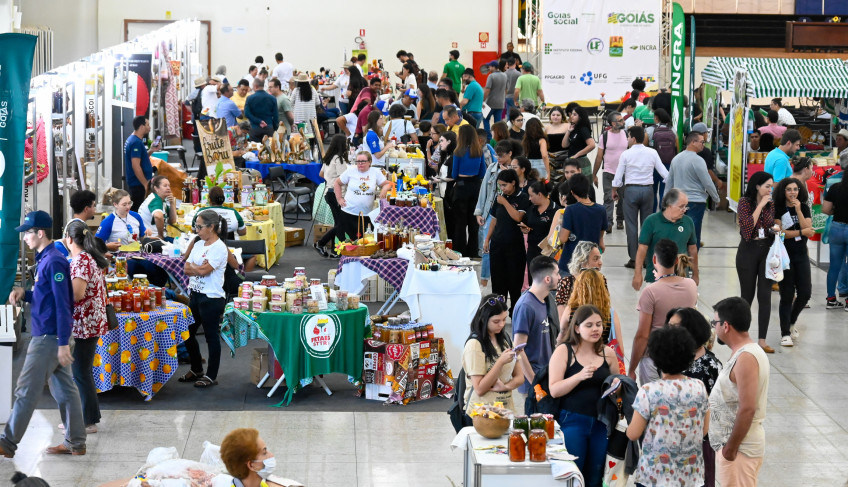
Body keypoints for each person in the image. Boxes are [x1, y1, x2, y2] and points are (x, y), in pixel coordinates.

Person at [2, 211, 86, 457]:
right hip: (50, 335)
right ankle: (76, 441)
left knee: (26, 389)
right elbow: (46, 297)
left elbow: (63, 303)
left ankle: (8, 441)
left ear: (40, 233)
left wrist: (62, 342)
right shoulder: (46, 259)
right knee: (65, 391)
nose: (25, 237)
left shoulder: (54, 262)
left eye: (28, 232)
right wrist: (24, 293)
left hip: (49, 337)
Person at [626, 326, 709, 487]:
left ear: (655, 357)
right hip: (691, 477)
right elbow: (704, 430)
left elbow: (633, 433)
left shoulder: (649, 391)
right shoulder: (699, 387)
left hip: (654, 477)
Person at [548, 304, 619, 487]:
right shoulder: (564, 351)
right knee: (573, 474)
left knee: (596, 475)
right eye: (589, 325)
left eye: (598, 324)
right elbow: (554, 389)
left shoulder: (608, 353)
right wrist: (579, 376)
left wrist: (618, 387)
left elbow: (617, 388)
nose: (595, 329)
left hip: (601, 423)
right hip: (572, 420)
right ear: (577, 328)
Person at [709, 296, 771, 487]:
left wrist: (730, 449)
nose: (714, 328)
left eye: (715, 323)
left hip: (740, 450)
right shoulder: (744, 353)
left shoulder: (746, 358)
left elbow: (747, 408)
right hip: (736, 449)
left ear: (726, 326)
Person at [61, 220, 109, 435]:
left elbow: (77, 294)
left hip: (84, 323)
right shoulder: (89, 258)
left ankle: (88, 421)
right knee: (82, 371)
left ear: (70, 239)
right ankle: (86, 418)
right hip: (90, 321)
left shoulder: (81, 261)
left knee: (80, 372)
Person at [629, 238, 698, 384]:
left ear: (654, 259)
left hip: (654, 359)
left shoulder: (650, 292)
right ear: (676, 261)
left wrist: (631, 369)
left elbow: (642, 336)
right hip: (681, 356)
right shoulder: (691, 285)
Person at [668, 307, 723, 487]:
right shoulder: (670, 358)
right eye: (669, 326)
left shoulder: (711, 365)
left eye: (676, 326)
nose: (670, 332)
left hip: (699, 441)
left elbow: (716, 409)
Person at [179, 210, 230, 388]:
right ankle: (197, 369)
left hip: (211, 297)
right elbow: (186, 268)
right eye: (196, 226)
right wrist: (197, 267)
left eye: (200, 226)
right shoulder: (199, 244)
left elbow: (203, 271)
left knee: (211, 336)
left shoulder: (219, 248)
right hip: (195, 294)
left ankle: (211, 375)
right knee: (187, 333)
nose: (197, 230)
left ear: (212, 227)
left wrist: (197, 267)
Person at [613, 126, 668, 268]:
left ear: (633, 138)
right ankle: (647, 258)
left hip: (631, 190)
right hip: (648, 191)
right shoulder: (652, 152)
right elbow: (664, 173)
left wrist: (614, 190)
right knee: (647, 225)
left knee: (631, 226)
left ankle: (634, 258)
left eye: (628, 136)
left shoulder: (626, 154)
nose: (627, 139)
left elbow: (618, 177)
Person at [735, 171, 778, 353]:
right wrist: (760, 205)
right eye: (767, 186)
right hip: (748, 251)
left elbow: (767, 225)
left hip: (766, 250)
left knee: (765, 295)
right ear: (757, 186)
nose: (770, 189)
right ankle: (741, 336)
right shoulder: (745, 202)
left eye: (771, 186)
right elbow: (746, 229)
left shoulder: (771, 203)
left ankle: (762, 339)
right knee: (747, 296)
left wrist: (774, 229)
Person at [513, 256, 561, 412]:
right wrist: (535, 383)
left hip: (547, 375)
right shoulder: (526, 306)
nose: (560, 277)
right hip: (533, 382)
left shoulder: (547, 300)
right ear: (548, 278)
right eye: (557, 274)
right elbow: (518, 349)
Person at [462, 294, 523, 414]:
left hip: (506, 412)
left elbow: (520, 377)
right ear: (484, 319)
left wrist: (505, 387)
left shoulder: (505, 340)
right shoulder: (475, 345)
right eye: (496, 321)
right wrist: (500, 362)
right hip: (481, 415)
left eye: (504, 319)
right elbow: (479, 388)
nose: (501, 324)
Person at [773, 177, 813, 347]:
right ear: (783, 191)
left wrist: (798, 211)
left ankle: (791, 322)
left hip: (802, 255)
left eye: (795, 189)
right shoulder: (778, 208)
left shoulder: (803, 206)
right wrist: (801, 232)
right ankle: (784, 333)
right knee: (787, 295)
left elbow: (809, 231)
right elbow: (779, 233)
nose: (792, 192)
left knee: (805, 293)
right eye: (789, 189)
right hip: (784, 256)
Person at [484, 169, 531, 314]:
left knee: (514, 283)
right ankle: (499, 312)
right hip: (498, 245)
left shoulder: (522, 198)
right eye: (500, 186)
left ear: (513, 183)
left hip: (515, 248)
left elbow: (518, 217)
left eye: (504, 185)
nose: (502, 189)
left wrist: (504, 202)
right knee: (498, 283)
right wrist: (487, 239)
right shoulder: (499, 198)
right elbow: (494, 219)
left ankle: (515, 312)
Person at [633, 188, 699, 290]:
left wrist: (695, 274)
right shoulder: (651, 221)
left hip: (682, 279)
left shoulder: (688, 222)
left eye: (686, 206)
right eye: (681, 206)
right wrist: (638, 273)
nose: (684, 210)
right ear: (669, 205)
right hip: (655, 279)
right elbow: (642, 249)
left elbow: (693, 250)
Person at [562, 269, 625, 372]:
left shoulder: (570, 310)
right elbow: (620, 348)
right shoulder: (609, 313)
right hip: (601, 362)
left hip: (575, 362)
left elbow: (562, 334)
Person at [666, 132, 720, 248]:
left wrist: (666, 201)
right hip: (696, 202)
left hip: (678, 202)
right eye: (701, 142)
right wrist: (715, 197)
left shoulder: (676, 159)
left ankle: (679, 262)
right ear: (693, 142)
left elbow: (669, 181)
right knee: (693, 235)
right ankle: (691, 265)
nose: (703, 145)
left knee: (679, 233)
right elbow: (707, 182)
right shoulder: (698, 160)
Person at [476, 140, 518, 286]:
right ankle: (484, 281)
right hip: (491, 211)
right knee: (486, 245)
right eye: (496, 155)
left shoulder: (516, 168)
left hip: (510, 212)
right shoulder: (492, 168)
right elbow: (484, 190)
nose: (498, 158)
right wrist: (479, 212)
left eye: (501, 156)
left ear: (510, 154)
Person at [334, 151, 391, 240]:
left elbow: (388, 184)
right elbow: (337, 183)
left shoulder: (375, 172)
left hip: (366, 215)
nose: (360, 163)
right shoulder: (351, 171)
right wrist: (339, 199)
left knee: (365, 240)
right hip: (348, 212)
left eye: (363, 161)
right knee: (348, 241)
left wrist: (384, 188)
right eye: (358, 161)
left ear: (369, 162)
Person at [557, 174, 606, 275]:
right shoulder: (601, 210)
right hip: (591, 263)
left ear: (572, 192)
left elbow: (563, 238)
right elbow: (601, 238)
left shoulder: (570, 210)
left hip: (571, 262)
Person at [452, 124, 487, 257]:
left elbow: (454, 174)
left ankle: (460, 251)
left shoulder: (458, 152)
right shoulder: (479, 151)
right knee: (474, 223)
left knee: (460, 222)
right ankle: (473, 251)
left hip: (461, 186)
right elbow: (482, 172)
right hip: (475, 186)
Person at [555, 241, 606, 327]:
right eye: (595, 259)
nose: (600, 263)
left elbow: (605, 309)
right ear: (582, 261)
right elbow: (562, 319)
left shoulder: (602, 280)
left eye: (600, 258)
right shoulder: (566, 283)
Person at [315, 135, 350, 257]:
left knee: (338, 223)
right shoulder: (339, 160)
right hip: (337, 194)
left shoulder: (328, 158)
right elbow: (344, 179)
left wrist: (330, 179)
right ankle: (323, 243)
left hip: (328, 192)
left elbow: (321, 174)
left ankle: (336, 250)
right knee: (342, 223)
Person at [592, 112, 628, 233]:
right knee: (608, 197)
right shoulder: (605, 136)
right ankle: (608, 222)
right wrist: (594, 174)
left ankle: (620, 220)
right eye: (620, 120)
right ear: (613, 123)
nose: (623, 122)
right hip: (608, 171)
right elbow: (599, 156)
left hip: (624, 172)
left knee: (622, 197)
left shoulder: (626, 134)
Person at [521, 181, 557, 284]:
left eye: (531, 195)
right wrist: (525, 229)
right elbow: (527, 223)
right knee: (534, 283)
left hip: (549, 253)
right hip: (532, 251)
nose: (529, 198)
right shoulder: (531, 209)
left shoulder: (555, 210)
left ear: (540, 194)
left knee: (549, 283)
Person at [823, 168, 848, 309]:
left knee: (834, 266)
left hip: (837, 228)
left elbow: (826, 209)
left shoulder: (835, 188)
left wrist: (837, 211)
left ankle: (831, 298)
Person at [124, 115, 159, 211]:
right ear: (141, 127)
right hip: (138, 184)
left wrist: (151, 150)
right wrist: (145, 184)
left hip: (136, 183)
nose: (150, 127)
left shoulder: (133, 139)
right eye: (148, 125)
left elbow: (141, 158)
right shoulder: (136, 143)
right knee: (138, 210)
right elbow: (136, 166)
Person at [649, 108, 678, 211]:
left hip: (653, 165)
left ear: (656, 118)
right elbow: (677, 146)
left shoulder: (650, 130)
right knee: (664, 190)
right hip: (668, 164)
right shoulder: (672, 129)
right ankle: (663, 212)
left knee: (652, 190)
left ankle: (652, 213)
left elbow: (644, 147)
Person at [55, 190, 98, 258]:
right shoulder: (78, 227)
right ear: (86, 209)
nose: (95, 210)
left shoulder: (74, 224)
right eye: (93, 206)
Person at [138, 175, 177, 240]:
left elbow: (172, 221)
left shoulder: (161, 200)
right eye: (165, 186)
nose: (168, 188)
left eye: (169, 186)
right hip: (151, 238)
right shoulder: (155, 199)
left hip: (153, 237)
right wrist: (160, 235)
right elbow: (158, 216)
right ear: (156, 188)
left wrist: (172, 203)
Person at [563, 106, 595, 177]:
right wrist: (568, 131)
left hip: (581, 162)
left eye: (575, 114)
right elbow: (564, 145)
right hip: (572, 161)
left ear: (580, 117)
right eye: (572, 114)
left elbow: (592, 145)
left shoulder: (583, 129)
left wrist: (577, 155)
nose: (572, 116)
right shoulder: (574, 128)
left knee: (582, 186)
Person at [482, 60, 507, 139]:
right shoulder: (505, 75)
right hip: (500, 103)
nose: (489, 68)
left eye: (490, 66)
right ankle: (498, 137)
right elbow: (506, 89)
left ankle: (488, 137)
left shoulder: (491, 76)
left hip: (490, 103)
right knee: (498, 122)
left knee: (485, 119)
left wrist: (482, 100)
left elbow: (487, 90)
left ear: (493, 67)